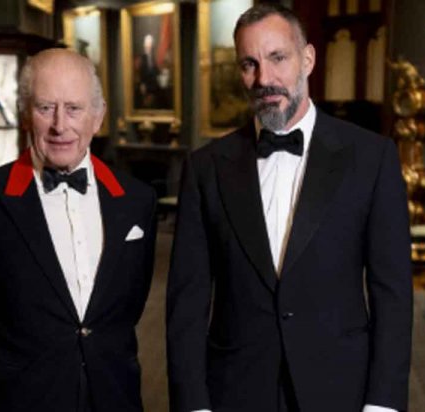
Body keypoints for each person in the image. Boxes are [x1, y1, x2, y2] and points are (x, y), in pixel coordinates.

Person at [166, 4, 412, 412]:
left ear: (308, 59)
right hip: (235, 391)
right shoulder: (205, 168)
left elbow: (394, 294)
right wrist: (193, 404)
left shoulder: (373, 158)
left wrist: (383, 404)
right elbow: (186, 303)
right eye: (249, 64)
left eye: (277, 57)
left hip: (340, 389)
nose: (264, 79)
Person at [0, 49, 157, 412]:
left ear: (98, 116)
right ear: (25, 114)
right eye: (46, 108)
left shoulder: (138, 201)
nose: (60, 125)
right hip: (18, 399)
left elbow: (130, 305)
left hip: (113, 395)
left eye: (74, 108)